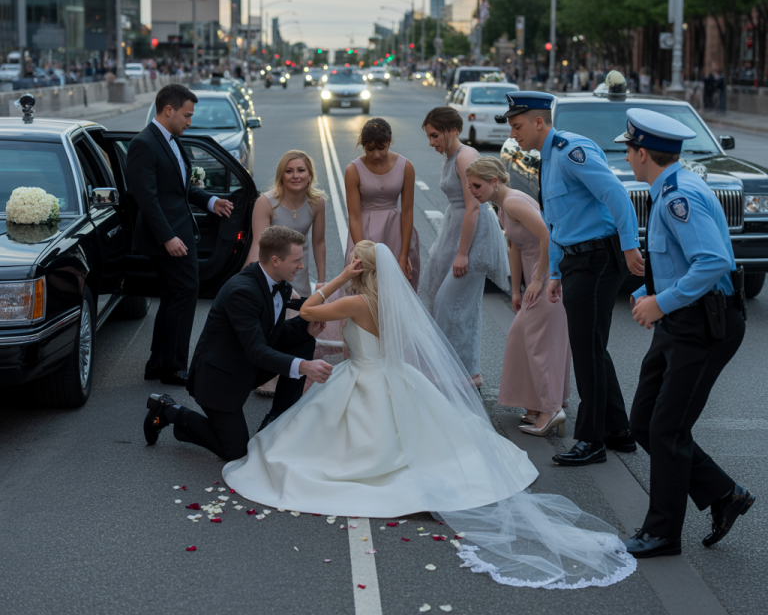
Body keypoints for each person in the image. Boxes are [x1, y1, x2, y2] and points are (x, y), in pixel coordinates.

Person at [220, 241, 636, 589]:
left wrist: (342, 278)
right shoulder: (392, 302)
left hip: (361, 379)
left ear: (359, 267)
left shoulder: (356, 301)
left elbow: (309, 309)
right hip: (397, 378)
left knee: (325, 441)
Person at [614, 109, 753, 559]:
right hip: (681, 319)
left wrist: (661, 303)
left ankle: (662, 533)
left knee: (668, 428)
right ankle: (724, 494)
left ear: (641, 153)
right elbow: (677, 259)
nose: (628, 157)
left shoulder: (680, 196)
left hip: (703, 325)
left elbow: (714, 262)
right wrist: (648, 293)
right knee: (644, 424)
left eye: (629, 150)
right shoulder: (668, 188)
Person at [496, 83, 643, 467]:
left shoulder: (570, 151)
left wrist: (630, 246)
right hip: (578, 261)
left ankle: (592, 440)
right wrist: (556, 271)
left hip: (598, 258)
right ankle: (618, 432)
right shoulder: (546, 158)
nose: (512, 133)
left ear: (539, 121)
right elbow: (557, 222)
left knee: (586, 351)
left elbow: (616, 195)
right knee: (592, 348)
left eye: (517, 125)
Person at [143, 226, 330, 459]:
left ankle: (278, 416)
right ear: (275, 260)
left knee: (304, 337)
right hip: (219, 380)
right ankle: (170, 412)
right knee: (236, 451)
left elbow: (274, 335)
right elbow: (257, 351)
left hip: (246, 366)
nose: (301, 266)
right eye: (297, 261)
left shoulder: (277, 283)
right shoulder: (242, 292)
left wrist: (307, 329)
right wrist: (304, 366)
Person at [128, 84, 234, 385]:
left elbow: (179, 189)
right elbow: (146, 198)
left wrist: (211, 201)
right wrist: (167, 237)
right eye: (187, 115)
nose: (190, 121)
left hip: (178, 233)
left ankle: (159, 363)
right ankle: (174, 367)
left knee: (174, 296)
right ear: (169, 110)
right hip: (168, 238)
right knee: (185, 292)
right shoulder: (144, 144)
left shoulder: (172, 141)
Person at [466, 157, 571, 437]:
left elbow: (548, 235)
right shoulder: (502, 207)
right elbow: (514, 247)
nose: (472, 190)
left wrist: (538, 279)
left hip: (546, 275)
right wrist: (515, 290)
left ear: (494, 182)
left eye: (476, 185)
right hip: (535, 276)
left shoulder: (512, 202)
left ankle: (550, 410)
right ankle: (539, 404)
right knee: (520, 339)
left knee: (540, 345)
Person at [418, 107, 509, 386]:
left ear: (452, 131)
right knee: (444, 300)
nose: (431, 142)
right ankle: (465, 371)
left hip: (472, 237)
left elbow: (474, 208)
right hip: (455, 229)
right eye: (429, 136)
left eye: (435, 135)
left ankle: (464, 373)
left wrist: (462, 254)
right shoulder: (451, 156)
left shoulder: (466, 156)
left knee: (451, 304)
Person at [244, 150, 328, 396]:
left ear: (309, 174)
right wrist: (253, 279)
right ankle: (267, 376)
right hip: (270, 272)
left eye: (301, 170)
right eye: (289, 171)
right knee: (272, 324)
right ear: (281, 175)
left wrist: (321, 281)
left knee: (295, 324)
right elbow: (259, 245)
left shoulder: (317, 203)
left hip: (299, 273)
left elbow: (319, 242)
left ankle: (292, 374)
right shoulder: (266, 202)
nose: (295, 176)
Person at [345, 117, 419, 288]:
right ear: (362, 145)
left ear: (390, 142)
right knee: (366, 290)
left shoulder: (406, 166)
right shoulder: (353, 170)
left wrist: (403, 255)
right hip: (364, 234)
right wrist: (361, 252)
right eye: (369, 149)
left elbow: (407, 212)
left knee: (398, 289)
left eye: (381, 148)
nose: (376, 154)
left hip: (397, 233)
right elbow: (354, 216)